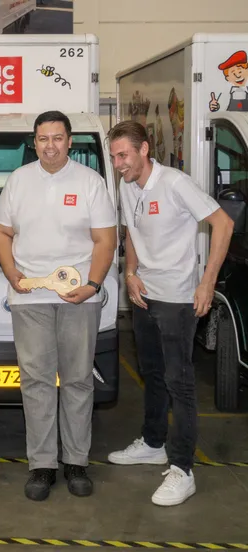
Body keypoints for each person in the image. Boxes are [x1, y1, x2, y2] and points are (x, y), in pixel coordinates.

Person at [107, 121, 234, 506]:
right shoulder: (128, 185)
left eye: (122, 155)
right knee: (152, 374)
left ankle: (182, 469)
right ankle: (152, 442)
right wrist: (130, 272)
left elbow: (223, 224)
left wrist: (207, 282)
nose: (117, 164)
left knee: (181, 382)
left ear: (144, 150)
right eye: (113, 157)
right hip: (145, 295)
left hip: (178, 298)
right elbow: (130, 232)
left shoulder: (175, 182)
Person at [0, 111, 117, 501]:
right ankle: (42, 465)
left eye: (58, 138)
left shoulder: (90, 182)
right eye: (43, 138)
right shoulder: (19, 181)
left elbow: (105, 240)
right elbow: (1, 231)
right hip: (30, 297)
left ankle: (76, 462)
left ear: (70, 141)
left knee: (78, 379)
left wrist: (93, 284)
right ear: (34, 142)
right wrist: (12, 275)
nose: (50, 145)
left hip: (79, 297)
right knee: (36, 382)